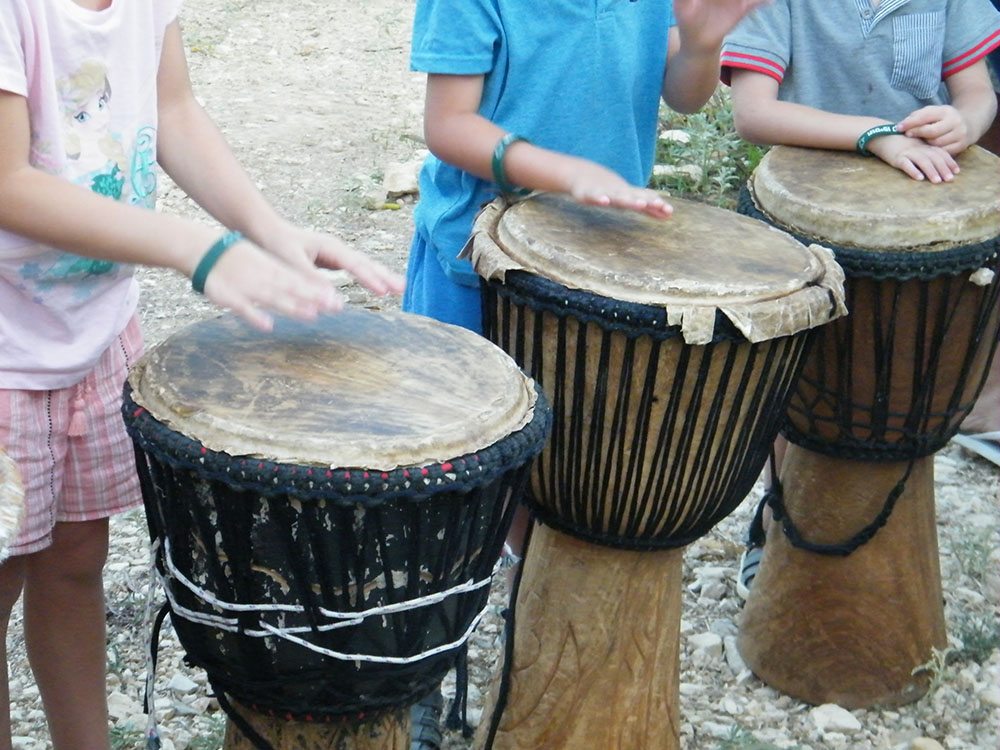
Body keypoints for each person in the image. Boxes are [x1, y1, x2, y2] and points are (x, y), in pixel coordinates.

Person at [0, 1, 404, 748]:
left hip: (94, 337)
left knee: (73, 564)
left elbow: (175, 112)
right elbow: (8, 183)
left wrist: (273, 236)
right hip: (4, 366)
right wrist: (196, 249)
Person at [402, 1, 772, 747]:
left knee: (564, 474)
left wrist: (700, 45)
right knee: (453, 489)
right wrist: (562, 169)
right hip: (475, 261)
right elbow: (449, 125)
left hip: (599, 269)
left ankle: (537, 655)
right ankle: (418, 670)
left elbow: (684, 91)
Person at [720, 0, 1000, 595]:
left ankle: (886, 529)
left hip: (921, 209)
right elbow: (753, 113)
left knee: (900, 381)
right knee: (792, 379)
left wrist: (966, 123)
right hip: (805, 206)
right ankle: (775, 516)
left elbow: (976, 91)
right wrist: (874, 136)